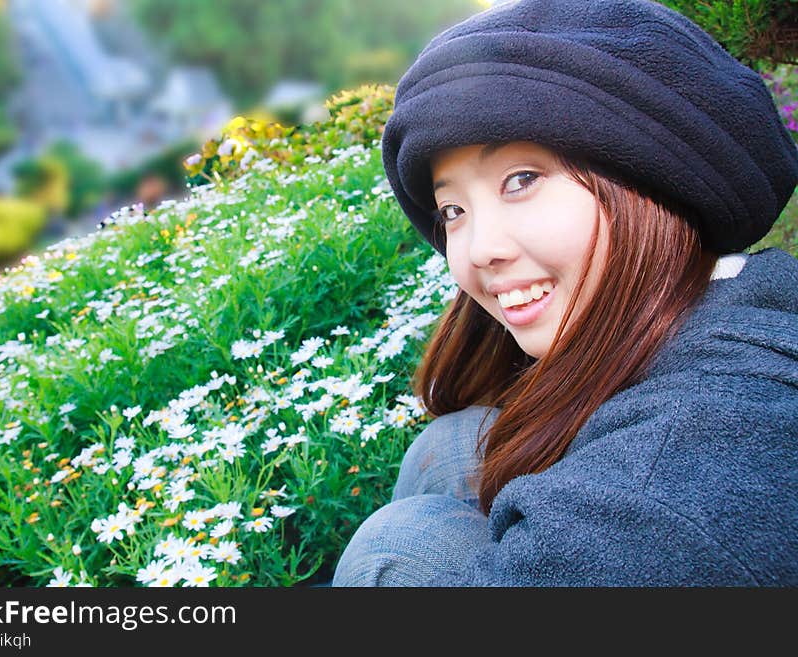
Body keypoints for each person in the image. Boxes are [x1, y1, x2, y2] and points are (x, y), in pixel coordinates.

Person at [332, 0, 798, 586]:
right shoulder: (732, 299)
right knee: (454, 445)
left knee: (399, 549)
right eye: (453, 210)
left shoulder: (664, 499)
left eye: (520, 181)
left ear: (650, 181)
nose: (478, 250)